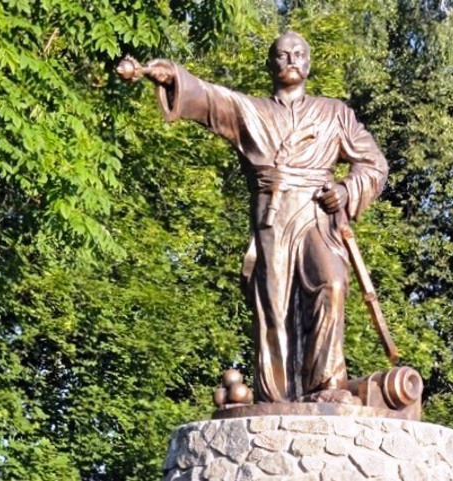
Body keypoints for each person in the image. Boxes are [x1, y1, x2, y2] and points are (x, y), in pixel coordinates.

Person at [143, 31, 388, 403]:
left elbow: (374, 165)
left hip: (316, 215)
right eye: (282, 54)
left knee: (333, 283)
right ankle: (277, 397)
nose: (291, 60)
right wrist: (172, 76)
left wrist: (346, 189)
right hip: (271, 219)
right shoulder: (251, 111)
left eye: (299, 54)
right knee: (273, 307)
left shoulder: (334, 113)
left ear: (308, 63)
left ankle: (326, 385)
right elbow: (211, 99)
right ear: (270, 64)